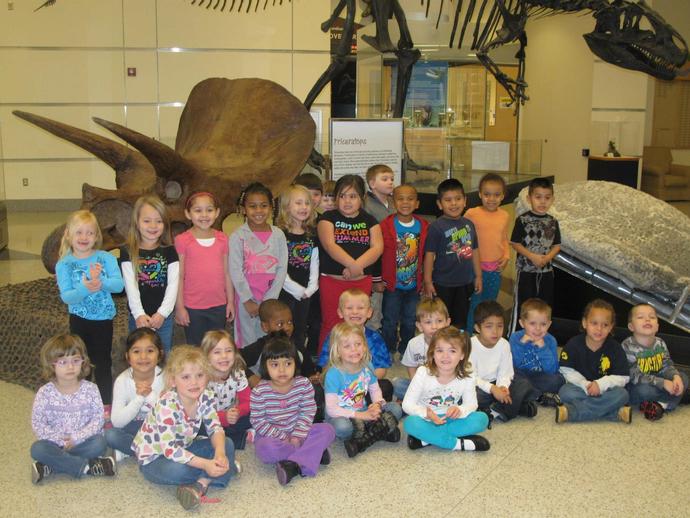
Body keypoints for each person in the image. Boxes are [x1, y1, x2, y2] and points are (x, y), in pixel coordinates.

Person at [133, 346, 239, 511]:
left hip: (184, 448)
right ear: (173, 381)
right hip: (155, 460)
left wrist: (219, 453)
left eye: (200, 375)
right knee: (180, 471)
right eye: (186, 377)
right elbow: (169, 450)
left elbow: (215, 428)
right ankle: (223, 468)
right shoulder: (167, 405)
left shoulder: (206, 396)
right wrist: (206, 464)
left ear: (207, 376)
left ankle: (202, 484)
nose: (194, 382)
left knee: (227, 443)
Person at [55, 210, 124, 408]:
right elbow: (67, 296)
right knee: (78, 361)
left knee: (102, 362)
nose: (84, 237)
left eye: (89, 233)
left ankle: (106, 405)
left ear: (96, 237)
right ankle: (80, 402)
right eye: (79, 233)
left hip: (103, 320)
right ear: (69, 235)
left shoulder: (105, 258)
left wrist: (100, 282)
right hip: (79, 320)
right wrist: (85, 288)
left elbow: (118, 286)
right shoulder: (64, 264)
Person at [250, 334, 335, 486]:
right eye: (275, 365)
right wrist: (282, 436)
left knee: (328, 430)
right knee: (265, 449)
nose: (282, 370)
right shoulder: (259, 391)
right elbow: (258, 421)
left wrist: (297, 436)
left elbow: (308, 411)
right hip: (273, 437)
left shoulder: (303, 385)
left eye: (288, 363)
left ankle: (294, 466)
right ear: (265, 366)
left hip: (300, 432)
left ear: (296, 364)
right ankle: (313, 454)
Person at [30, 334, 115, 484]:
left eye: (76, 361)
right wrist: (59, 440)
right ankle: (86, 468)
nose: (70, 367)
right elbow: (38, 423)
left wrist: (77, 438)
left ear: (83, 362)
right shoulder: (45, 392)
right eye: (63, 362)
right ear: (52, 365)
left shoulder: (91, 389)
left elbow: (98, 419)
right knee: (38, 449)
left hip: (83, 441)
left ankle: (51, 465)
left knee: (100, 443)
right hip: (55, 442)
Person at [317, 174, 383, 347]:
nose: (347, 201)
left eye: (352, 196)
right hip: (332, 282)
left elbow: (377, 248)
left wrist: (357, 267)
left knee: (357, 325)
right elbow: (330, 245)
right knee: (331, 323)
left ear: (362, 198)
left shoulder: (370, 221)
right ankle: (326, 365)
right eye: (342, 196)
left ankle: (356, 360)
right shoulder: (327, 218)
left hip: (361, 282)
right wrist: (352, 265)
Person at [403, 326, 490, 452]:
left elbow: (472, 404)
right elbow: (407, 404)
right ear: (432, 353)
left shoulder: (468, 375)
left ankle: (426, 439)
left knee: (482, 419)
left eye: (452, 351)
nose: (445, 356)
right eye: (439, 350)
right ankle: (456, 444)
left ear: (462, 355)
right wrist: (425, 413)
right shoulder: (423, 372)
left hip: (451, 419)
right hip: (427, 420)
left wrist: (460, 409)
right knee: (410, 423)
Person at [323, 322, 402, 457]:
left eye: (358, 344)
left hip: (363, 410)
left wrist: (377, 405)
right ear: (337, 351)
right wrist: (362, 416)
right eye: (347, 346)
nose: (354, 349)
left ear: (364, 346)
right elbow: (332, 409)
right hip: (341, 415)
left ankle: (364, 438)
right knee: (343, 428)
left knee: (396, 408)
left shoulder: (368, 366)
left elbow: (375, 390)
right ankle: (380, 430)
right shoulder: (333, 374)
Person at [241, 300, 323, 420]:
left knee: (316, 390)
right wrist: (250, 376)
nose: (287, 327)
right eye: (280, 324)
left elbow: (308, 372)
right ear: (265, 326)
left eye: (290, 322)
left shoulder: (298, 347)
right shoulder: (260, 347)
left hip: (294, 398)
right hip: (270, 400)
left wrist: (314, 377)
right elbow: (235, 358)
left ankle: (310, 424)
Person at [230, 182, 288, 348]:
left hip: (270, 297)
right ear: (244, 209)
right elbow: (235, 269)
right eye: (252, 206)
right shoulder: (238, 236)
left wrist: (269, 300)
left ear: (271, 207)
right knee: (247, 340)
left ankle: (268, 372)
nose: (258, 211)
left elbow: (282, 268)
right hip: (245, 299)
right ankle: (248, 373)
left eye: (263, 206)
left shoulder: (278, 235)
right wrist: (247, 300)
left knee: (270, 339)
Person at [556, 299, 632, 424]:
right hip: (581, 388)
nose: (599, 329)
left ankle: (573, 413)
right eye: (594, 323)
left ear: (611, 327)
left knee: (622, 394)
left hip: (606, 391)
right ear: (585, 323)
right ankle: (613, 413)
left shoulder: (615, 348)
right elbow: (566, 370)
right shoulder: (573, 344)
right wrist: (585, 384)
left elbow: (623, 377)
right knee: (565, 392)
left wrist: (600, 385)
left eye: (605, 325)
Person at [121, 195, 179, 354]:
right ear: (137, 223)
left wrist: (162, 313)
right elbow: (130, 286)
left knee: (163, 356)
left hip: (163, 319)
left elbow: (173, 284)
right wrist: (139, 314)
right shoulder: (127, 251)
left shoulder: (170, 251)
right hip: (138, 317)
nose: (153, 226)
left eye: (159, 221)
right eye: (147, 221)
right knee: (139, 357)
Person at [175, 191, 234, 345]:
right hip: (193, 307)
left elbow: (227, 273)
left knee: (216, 347)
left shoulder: (223, 239)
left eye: (209, 210)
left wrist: (231, 302)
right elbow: (179, 276)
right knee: (196, 349)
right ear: (188, 214)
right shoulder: (183, 240)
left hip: (218, 306)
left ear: (217, 213)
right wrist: (180, 307)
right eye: (198, 210)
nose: (204, 215)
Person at [423, 179, 481, 330]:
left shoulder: (469, 224)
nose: (454, 203)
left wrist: (478, 276)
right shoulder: (436, 227)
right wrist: (428, 281)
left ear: (465, 201)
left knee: (460, 320)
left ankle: (458, 348)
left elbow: (474, 250)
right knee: (440, 319)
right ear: (439, 204)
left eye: (458, 199)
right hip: (442, 283)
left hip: (465, 282)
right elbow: (429, 255)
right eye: (448, 200)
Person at [317, 289, 393, 401]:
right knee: (317, 389)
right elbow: (325, 365)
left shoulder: (375, 337)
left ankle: (369, 409)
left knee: (386, 386)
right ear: (340, 312)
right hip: (340, 386)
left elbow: (381, 369)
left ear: (369, 312)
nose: (355, 312)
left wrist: (361, 384)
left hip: (365, 386)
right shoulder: (333, 336)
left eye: (360, 308)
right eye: (349, 308)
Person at [380, 184, 429, 355]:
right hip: (392, 285)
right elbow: (378, 253)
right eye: (400, 198)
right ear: (393, 202)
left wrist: (427, 281)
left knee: (410, 321)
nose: (405, 202)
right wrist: (378, 279)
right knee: (389, 320)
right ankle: (388, 349)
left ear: (417, 203)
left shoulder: (423, 226)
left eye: (410, 199)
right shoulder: (385, 226)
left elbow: (428, 256)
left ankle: (406, 350)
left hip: (414, 287)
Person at [509, 177, 561, 334]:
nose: (542, 201)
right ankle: (516, 336)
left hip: (546, 272)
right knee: (524, 306)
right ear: (529, 198)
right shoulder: (523, 220)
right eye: (538, 197)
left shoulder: (553, 221)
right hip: (526, 272)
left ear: (552, 199)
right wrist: (532, 256)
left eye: (547, 197)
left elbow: (557, 245)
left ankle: (541, 336)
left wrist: (547, 257)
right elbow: (515, 243)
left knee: (544, 306)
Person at [470, 301, 536, 423]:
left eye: (499, 326)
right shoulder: (470, 346)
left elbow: (506, 372)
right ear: (478, 328)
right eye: (489, 326)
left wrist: (503, 387)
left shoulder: (504, 344)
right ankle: (514, 408)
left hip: (498, 383)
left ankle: (496, 410)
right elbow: (470, 377)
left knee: (524, 384)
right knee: (470, 395)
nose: (495, 331)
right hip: (480, 386)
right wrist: (492, 389)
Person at [105, 328, 165, 462]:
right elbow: (117, 422)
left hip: (157, 427)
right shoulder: (122, 381)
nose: (143, 357)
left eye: (150, 351)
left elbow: (167, 416)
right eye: (136, 351)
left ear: (159, 354)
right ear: (128, 356)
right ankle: (152, 452)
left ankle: (132, 451)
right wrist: (139, 399)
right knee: (110, 435)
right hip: (132, 427)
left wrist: (150, 395)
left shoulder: (166, 378)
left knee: (174, 433)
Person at [622, 303, 688, 420]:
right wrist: (663, 383)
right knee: (644, 391)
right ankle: (668, 401)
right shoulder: (627, 346)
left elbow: (667, 365)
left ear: (657, 326)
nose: (647, 319)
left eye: (652, 317)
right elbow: (634, 376)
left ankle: (661, 405)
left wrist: (675, 377)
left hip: (659, 380)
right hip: (638, 385)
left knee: (683, 377)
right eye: (641, 317)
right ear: (631, 326)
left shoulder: (660, 343)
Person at [276, 184, 320, 351]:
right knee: (283, 330)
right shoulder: (280, 234)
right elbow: (279, 267)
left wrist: (311, 288)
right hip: (285, 291)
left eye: (307, 203)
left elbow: (314, 261)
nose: (304, 207)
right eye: (298, 203)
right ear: (287, 206)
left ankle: (299, 365)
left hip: (306, 293)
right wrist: (296, 289)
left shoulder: (311, 234)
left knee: (300, 329)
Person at [465, 173, 510, 331]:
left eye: (497, 195)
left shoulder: (504, 215)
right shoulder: (472, 213)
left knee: (490, 304)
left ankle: (486, 334)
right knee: (475, 304)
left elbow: (504, 239)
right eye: (487, 194)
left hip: (495, 270)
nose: (492, 199)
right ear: (480, 194)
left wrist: (506, 256)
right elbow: (463, 236)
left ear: (503, 196)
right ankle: (470, 336)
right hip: (475, 268)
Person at [508, 298, 564, 407]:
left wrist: (543, 348)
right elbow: (512, 364)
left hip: (539, 377)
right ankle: (537, 395)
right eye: (532, 323)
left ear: (549, 324)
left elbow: (552, 369)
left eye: (543, 324)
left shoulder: (550, 340)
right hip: (520, 375)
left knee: (558, 380)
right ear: (522, 323)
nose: (538, 328)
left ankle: (526, 394)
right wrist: (521, 344)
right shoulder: (515, 338)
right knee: (509, 377)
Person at [201, 330, 251, 449]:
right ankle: (237, 439)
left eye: (228, 351)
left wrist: (238, 412)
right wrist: (223, 417)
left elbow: (248, 401)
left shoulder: (237, 374)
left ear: (235, 353)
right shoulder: (201, 379)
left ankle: (225, 438)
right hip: (209, 418)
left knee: (257, 412)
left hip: (232, 416)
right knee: (197, 426)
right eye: (217, 352)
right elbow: (200, 412)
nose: (224, 356)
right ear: (206, 357)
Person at [392, 298, 450, 401]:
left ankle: (421, 402)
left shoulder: (452, 344)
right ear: (419, 326)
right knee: (397, 383)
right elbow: (411, 367)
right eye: (428, 322)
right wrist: (417, 387)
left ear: (447, 322)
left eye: (439, 321)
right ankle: (425, 401)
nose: (434, 326)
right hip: (422, 386)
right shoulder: (413, 344)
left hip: (446, 386)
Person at [364, 164, 397, 333]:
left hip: (391, 261)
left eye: (391, 179)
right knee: (374, 305)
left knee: (389, 305)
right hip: (374, 261)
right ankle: (372, 338)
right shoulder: (366, 204)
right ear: (372, 183)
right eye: (384, 179)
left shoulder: (393, 202)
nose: (390, 182)